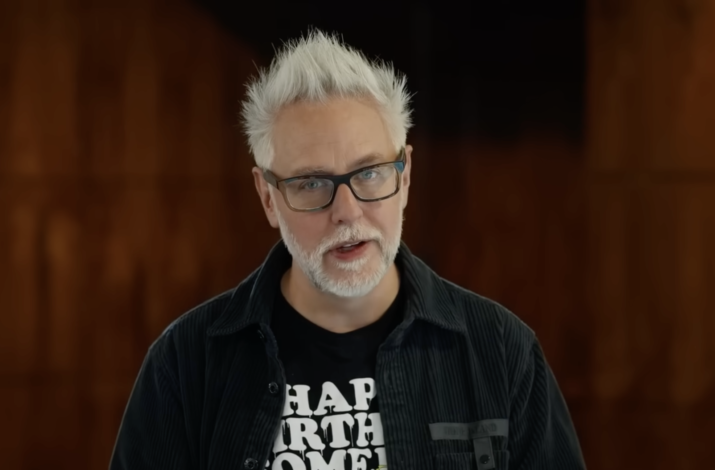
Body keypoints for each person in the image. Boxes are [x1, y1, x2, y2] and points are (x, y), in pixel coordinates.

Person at [109, 30, 586, 470]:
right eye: (311, 183)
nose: (346, 211)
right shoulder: (185, 364)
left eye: (369, 173)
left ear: (405, 176)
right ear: (268, 197)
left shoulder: (503, 352)